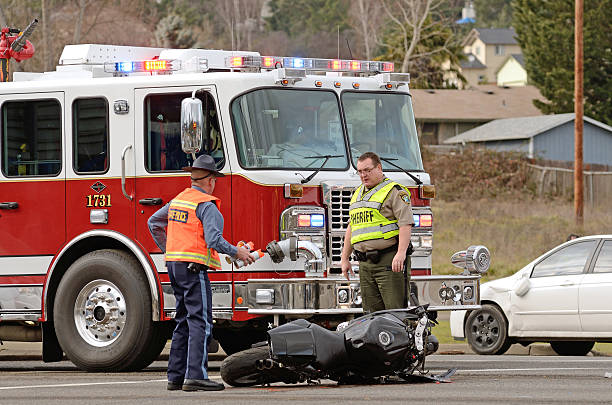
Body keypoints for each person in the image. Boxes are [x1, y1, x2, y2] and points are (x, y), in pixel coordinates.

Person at [148, 154, 255, 392]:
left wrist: (171, 249)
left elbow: (153, 223)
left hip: (175, 266)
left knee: (183, 321)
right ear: (211, 180)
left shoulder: (178, 201)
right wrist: (237, 252)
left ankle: (175, 377)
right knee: (201, 321)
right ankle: (196, 376)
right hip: (193, 269)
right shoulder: (207, 205)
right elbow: (214, 239)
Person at [340, 152, 414, 313]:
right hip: (365, 264)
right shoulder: (357, 194)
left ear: (379, 168)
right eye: (360, 171)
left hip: (389, 261)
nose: (363, 175)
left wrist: (401, 253)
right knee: (371, 316)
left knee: (395, 314)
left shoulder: (395, 191)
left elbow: (405, 224)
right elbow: (352, 228)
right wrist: (345, 258)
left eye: (367, 170)